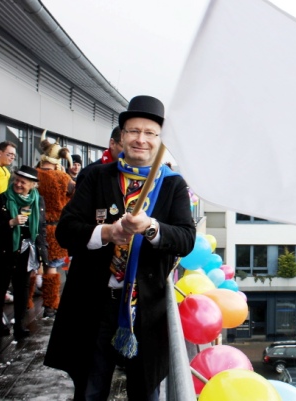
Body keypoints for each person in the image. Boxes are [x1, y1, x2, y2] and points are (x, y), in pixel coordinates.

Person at [44, 95, 196, 400]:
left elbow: (185, 239)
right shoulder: (96, 177)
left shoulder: (172, 185)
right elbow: (66, 232)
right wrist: (107, 232)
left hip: (145, 312)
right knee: (90, 389)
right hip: (93, 305)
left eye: (150, 133)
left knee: (144, 392)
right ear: (121, 136)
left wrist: (150, 227)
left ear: (160, 140)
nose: (141, 139)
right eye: (133, 131)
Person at [0, 165, 49, 340]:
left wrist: (42, 254)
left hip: (26, 250)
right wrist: (11, 223)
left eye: (23, 182)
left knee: (22, 288)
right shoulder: (2, 199)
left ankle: (20, 325)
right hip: (5, 250)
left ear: (32, 185)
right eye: (17, 180)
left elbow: (41, 228)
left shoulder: (38, 201)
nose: (18, 184)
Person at [36, 131, 76, 318]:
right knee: (52, 267)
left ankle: (26, 304)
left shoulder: (32, 174)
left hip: (31, 227)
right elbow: (75, 197)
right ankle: (50, 305)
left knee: (31, 267)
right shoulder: (63, 178)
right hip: (53, 229)